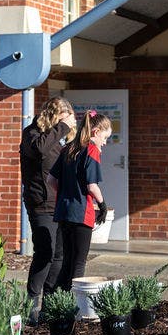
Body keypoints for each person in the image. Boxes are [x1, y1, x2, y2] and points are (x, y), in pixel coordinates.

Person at [20, 96, 77, 322]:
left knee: (59, 255)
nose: (67, 125)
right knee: (45, 252)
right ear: (54, 116)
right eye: (64, 118)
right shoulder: (32, 134)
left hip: (62, 203)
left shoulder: (63, 139)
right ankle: (31, 305)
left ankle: (50, 305)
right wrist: (62, 127)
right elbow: (40, 150)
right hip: (41, 203)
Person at [47, 109, 112, 291]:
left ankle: (56, 303)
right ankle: (73, 304)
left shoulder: (68, 148)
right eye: (105, 138)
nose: (105, 143)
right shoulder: (91, 150)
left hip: (64, 211)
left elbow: (51, 180)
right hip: (82, 213)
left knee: (66, 261)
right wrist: (102, 205)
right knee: (79, 263)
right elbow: (92, 186)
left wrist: (67, 194)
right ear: (96, 132)